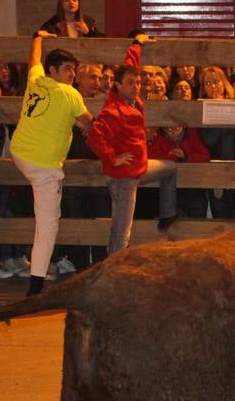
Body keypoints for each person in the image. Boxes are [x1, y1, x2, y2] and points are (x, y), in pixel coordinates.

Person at [10, 31, 93, 296]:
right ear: (53, 70)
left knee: (42, 219)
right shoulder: (70, 94)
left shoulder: (36, 80)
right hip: (43, 166)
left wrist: (37, 37)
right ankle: (36, 285)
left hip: (19, 152)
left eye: (74, 70)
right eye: (68, 69)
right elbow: (89, 121)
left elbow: (33, 58)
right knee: (48, 225)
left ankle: (37, 277)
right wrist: (82, 124)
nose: (72, 75)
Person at [86, 36, 180, 253]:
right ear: (117, 86)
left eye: (138, 82)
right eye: (131, 83)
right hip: (123, 178)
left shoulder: (133, 101)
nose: (136, 86)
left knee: (170, 169)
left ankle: (167, 214)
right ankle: (112, 270)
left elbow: (131, 65)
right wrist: (112, 158)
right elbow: (94, 136)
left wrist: (137, 44)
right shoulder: (113, 110)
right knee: (122, 229)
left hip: (139, 168)